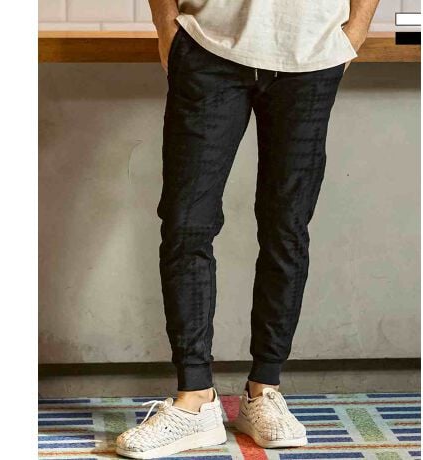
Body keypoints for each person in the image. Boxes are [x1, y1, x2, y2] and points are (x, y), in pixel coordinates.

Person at [117, 0, 379, 458]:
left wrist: (353, 32)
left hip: (311, 53)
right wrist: (166, 26)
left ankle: (264, 391)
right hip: (207, 46)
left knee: (286, 227)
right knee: (186, 224)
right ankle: (195, 400)